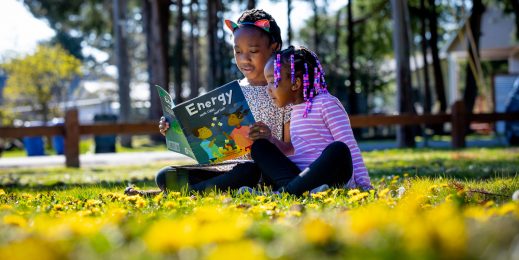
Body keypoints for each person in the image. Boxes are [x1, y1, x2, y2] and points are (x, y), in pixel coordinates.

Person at [125, 9, 292, 195]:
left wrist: (269, 139)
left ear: (274, 47)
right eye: (237, 51)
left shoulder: (285, 92)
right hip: (227, 169)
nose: (244, 58)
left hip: (261, 172)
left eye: (253, 51)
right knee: (165, 175)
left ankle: (175, 195)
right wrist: (174, 132)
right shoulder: (233, 91)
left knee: (248, 171)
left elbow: (293, 151)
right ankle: (194, 190)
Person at [247, 46, 372, 196]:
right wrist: (271, 140)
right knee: (260, 147)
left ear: (296, 84)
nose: (268, 89)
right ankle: (300, 190)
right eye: (267, 83)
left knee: (339, 149)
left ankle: (284, 193)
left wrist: (365, 186)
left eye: (273, 82)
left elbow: (350, 147)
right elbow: (294, 151)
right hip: (301, 177)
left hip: (330, 177)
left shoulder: (326, 103)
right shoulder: (294, 110)